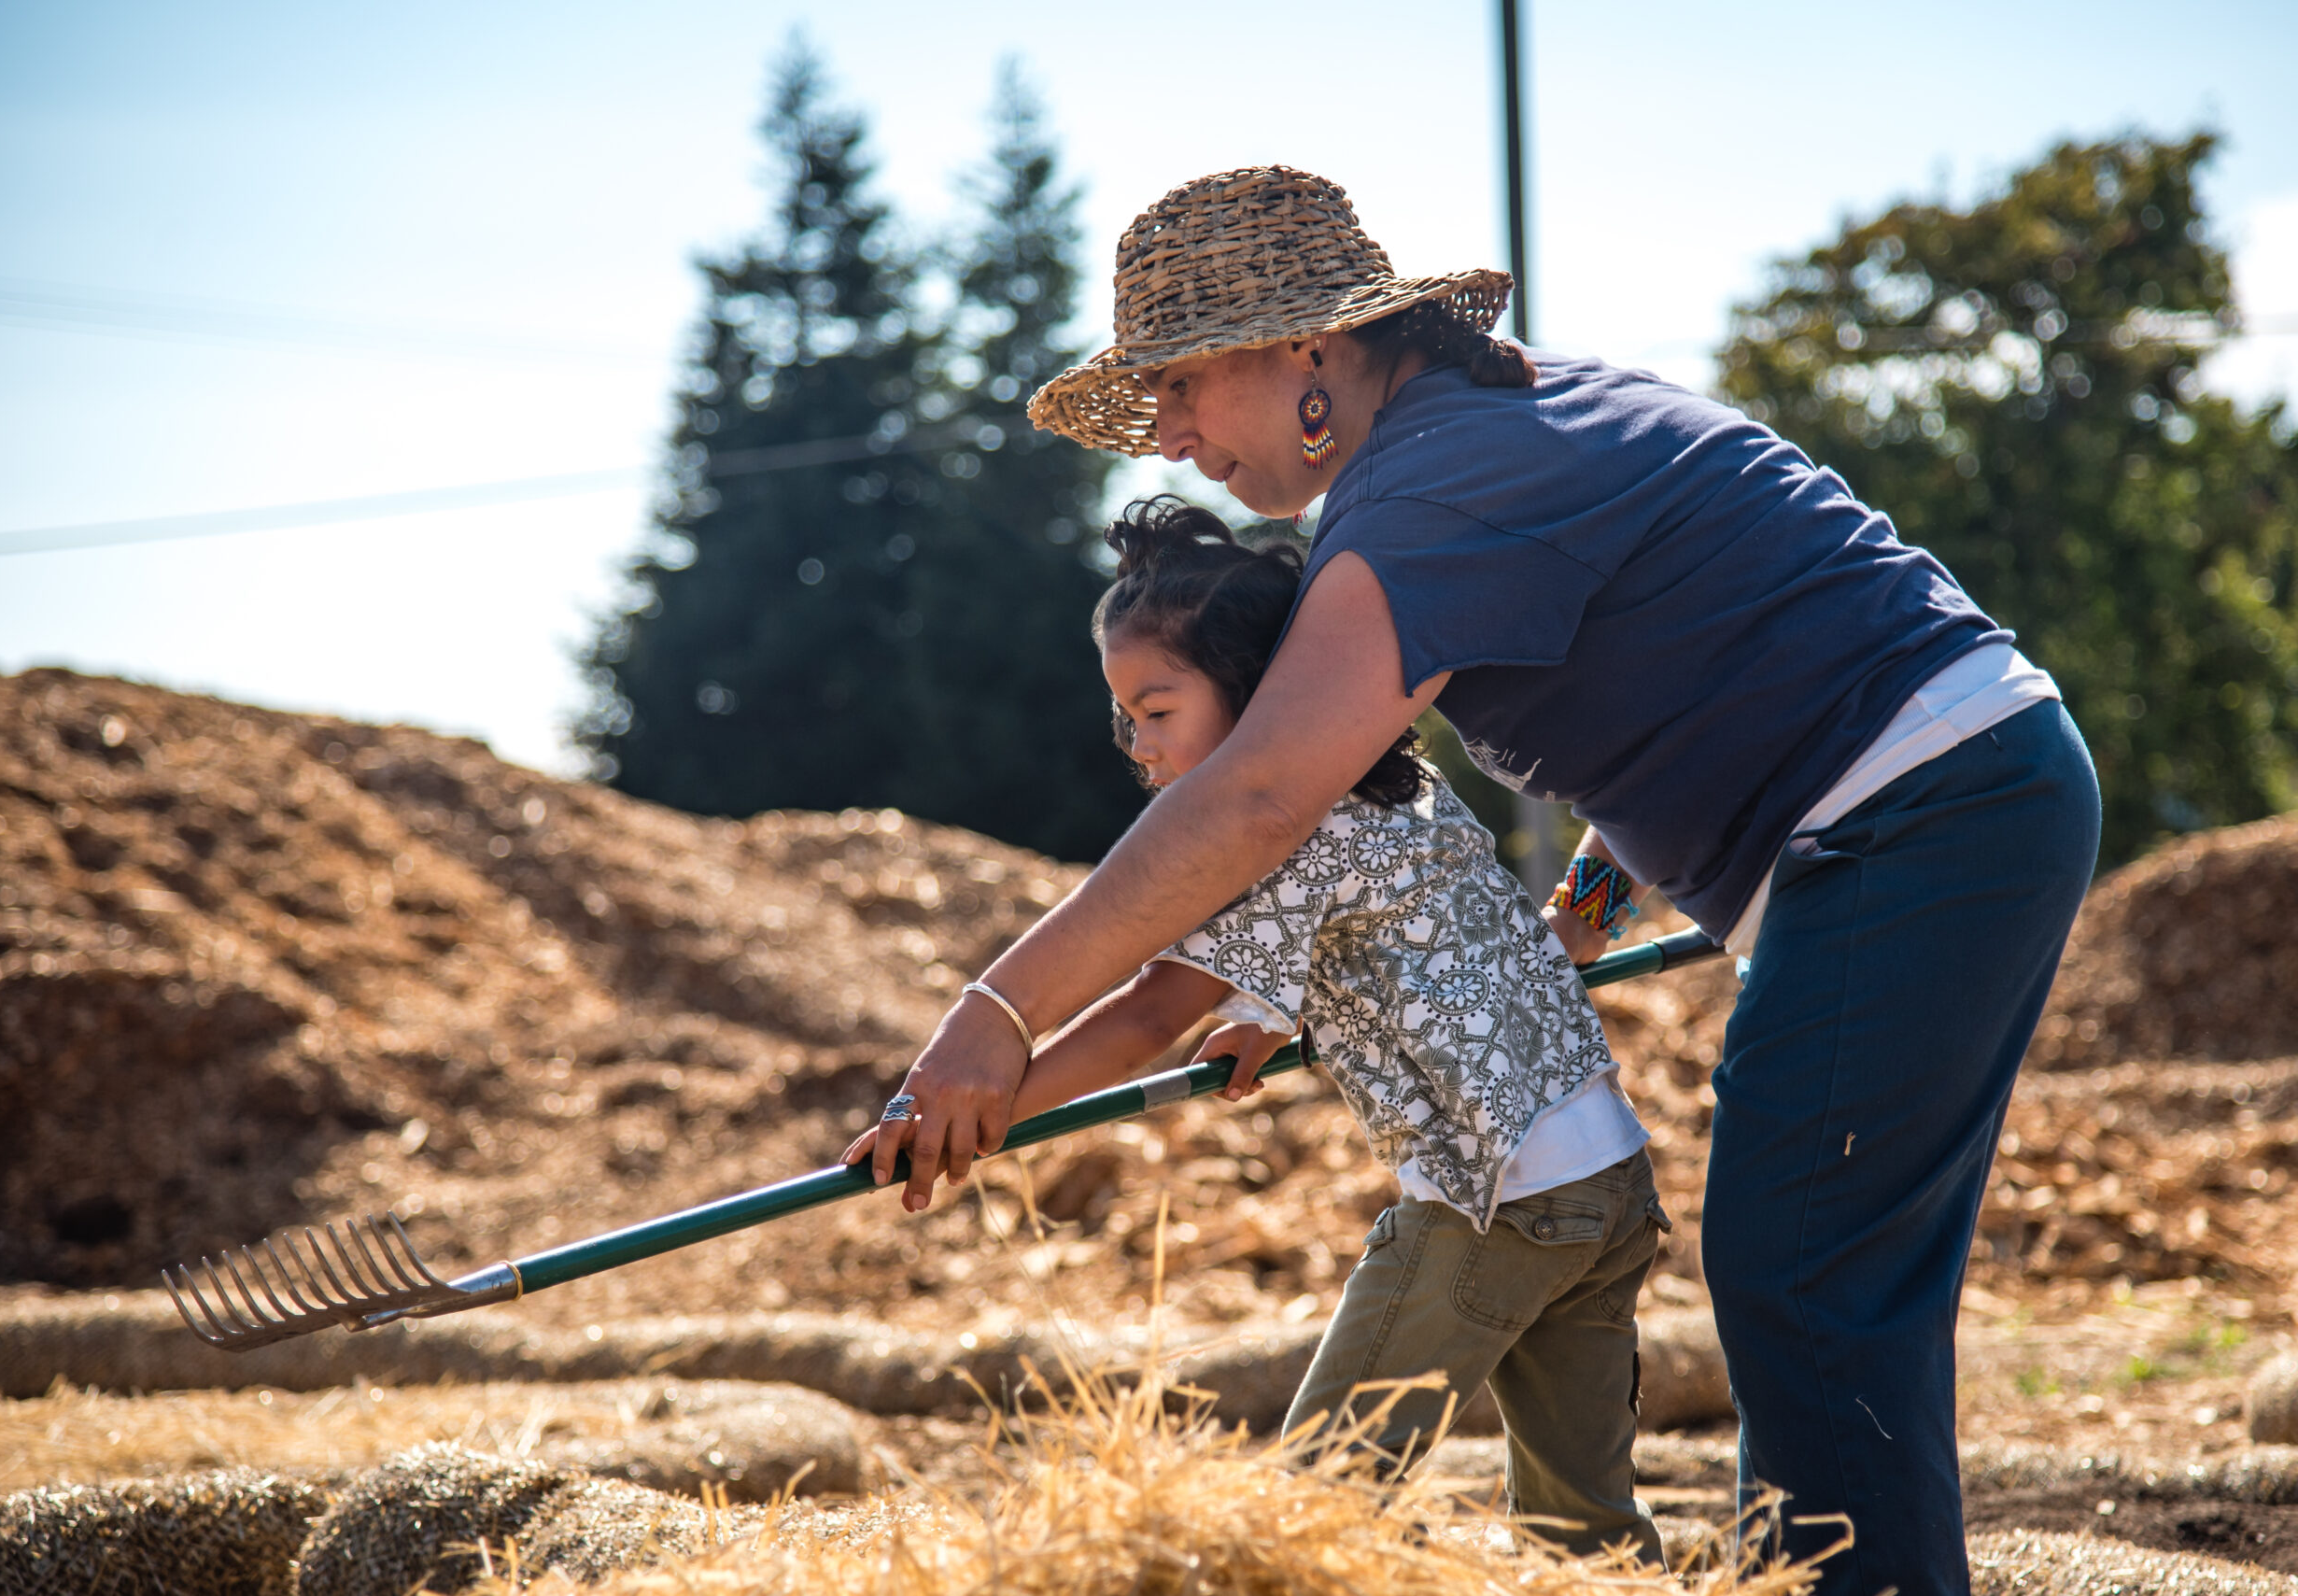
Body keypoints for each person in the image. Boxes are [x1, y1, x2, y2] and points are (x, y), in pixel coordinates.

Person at [859, 166, 2101, 1594]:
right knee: (1819, 1276)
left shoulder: (1427, 493)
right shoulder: (1485, 434)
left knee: (1806, 1275)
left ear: (1308, 347)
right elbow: (1687, 685)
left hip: (1918, 813)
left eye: (1187, 384)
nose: (1170, 435)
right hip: (1941, 798)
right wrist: (1585, 912)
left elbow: (1258, 793)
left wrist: (995, 1014)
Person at [854, 497, 1669, 1561]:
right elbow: (1403, 928)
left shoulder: (1270, 825)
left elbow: (1150, 1007)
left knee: (1304, 1515)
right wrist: (1272, 1007)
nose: (1135, 743)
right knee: (1586, 1528)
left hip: (1497, 1201)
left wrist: (980, 1115)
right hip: (1605, 1186)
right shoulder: (1401, 781)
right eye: (1123, 716)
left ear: (1255, 695)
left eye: (1157, 708)